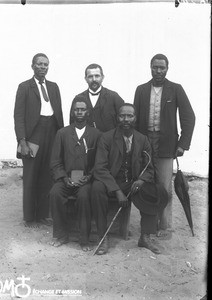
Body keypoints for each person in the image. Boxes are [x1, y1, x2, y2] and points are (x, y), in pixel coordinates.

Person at [91, 103, 167, 255]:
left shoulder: (143, 139)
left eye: (129, 116)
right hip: (111, 182)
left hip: (133, 183)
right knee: (97, 188)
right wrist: (117, 190)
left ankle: (145, 237)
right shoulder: (106, 138)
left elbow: (149, 168)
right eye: (122, 116)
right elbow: (100, 168)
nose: (126, 119)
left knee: (155, 191)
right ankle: (103, 237)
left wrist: (141, 180)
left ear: (135, 118)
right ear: (117, 118)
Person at [133, 53, 195, 234]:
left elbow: (189, 117)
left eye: (162, 67)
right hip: (145, 143)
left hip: (166, 144)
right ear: (150, 67)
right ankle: (149, 224)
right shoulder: (141, 89)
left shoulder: (176, 89)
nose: (158, 71)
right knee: (146, 181)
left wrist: (183, 144)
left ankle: (164, 226)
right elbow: (135, 119)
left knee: (164, 184)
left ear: (167, 68)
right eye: (155, 67)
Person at [14, 53, 64, 228]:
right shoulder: (25, 87)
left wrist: (61, 137)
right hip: (34, 134)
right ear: (32, 66)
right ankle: (29, 217)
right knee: (31, 175)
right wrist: (22, 141)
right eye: (40, 64)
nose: (43, 67)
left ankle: (43, 214)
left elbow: (59, 113)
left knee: (47, 174)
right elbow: (18, 116)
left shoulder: (54, 86)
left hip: (52, 131)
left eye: (46, 64)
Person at [49, 97, 101, 251]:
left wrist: (89, 176)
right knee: (55, 194)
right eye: (76, 109)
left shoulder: (96, 134)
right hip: (65, 178)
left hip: (86, 180)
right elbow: (55, 161)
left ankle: (84, 239)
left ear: (88, 112)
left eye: (82, 109)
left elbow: (100, 162)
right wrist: (64, 178)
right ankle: (61, 235)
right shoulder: (62, 133)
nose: (79, 112)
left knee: (84, 196)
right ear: (72, 112)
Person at [69, 63, 124, 132]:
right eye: (90, 76)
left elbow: (123, 121)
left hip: (109, 141)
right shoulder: (78, 98)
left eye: (97, 76)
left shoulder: (114, 97)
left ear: (102, 77)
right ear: (85, 79)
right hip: (87, 141)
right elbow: (72, 123)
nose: (94, 79)